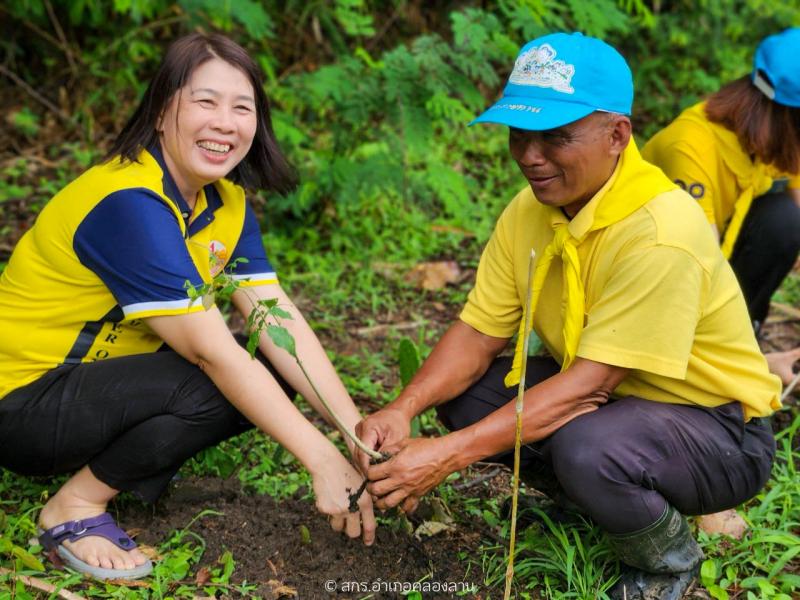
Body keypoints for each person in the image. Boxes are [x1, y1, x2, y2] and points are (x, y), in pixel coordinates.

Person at [354, 33, 780, 600]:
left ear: (617, 135)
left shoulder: (660, 233)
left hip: (720, 430)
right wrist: (404, 408)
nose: (531, 156)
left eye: (556, 137)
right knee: (469, 393)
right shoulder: (533, 208)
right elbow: (480, 331)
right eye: (520, 134)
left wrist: (444, 458)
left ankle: (666, 560)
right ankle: (609, 504)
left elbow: (589, 386)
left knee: (587, 446)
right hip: (621, 405)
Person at [0, 33, 375, 580]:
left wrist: (354, 433)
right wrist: (321, 460)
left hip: (98, 390)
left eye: (242, 107)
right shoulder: (129, 202)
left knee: (272, 361)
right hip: (25, 402)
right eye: (205, 101)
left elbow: (275, 316)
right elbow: (212, 354)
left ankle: (110, 467)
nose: (225, 121)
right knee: (216, 374)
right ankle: (74, 506)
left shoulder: (225, 199)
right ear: (159, 112)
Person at [643, 27, 800, 387]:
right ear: (791, 117)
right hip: (657, 275)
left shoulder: (771, 136)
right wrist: (752, 365)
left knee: (785, 221)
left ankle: (740, 341)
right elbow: (700, 272)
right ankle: (716, 364)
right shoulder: (692, 148)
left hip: (705, 259)